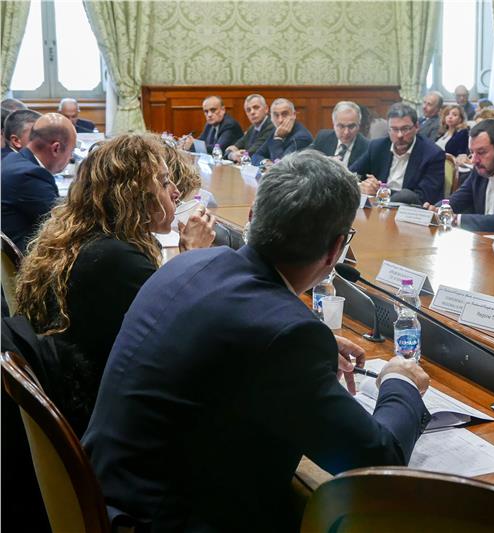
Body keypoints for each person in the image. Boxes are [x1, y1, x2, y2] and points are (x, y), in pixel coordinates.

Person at [82, 151, 432, 530]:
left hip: (97, 498)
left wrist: (309, 355)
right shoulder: (286, 335)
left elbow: (233, 345)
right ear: (336, 249)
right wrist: (400, 382)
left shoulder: (188, 263)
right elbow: (379, 461)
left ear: (253, 216)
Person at [14, 133, 216, 431]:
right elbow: (185, 340)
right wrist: (194, 258)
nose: (175, 192)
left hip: (80, 396)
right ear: (133, 194)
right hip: (105, 420)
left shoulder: (89, 239)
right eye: (164, 183)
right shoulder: (117, 261)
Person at [1, 113, 76, 252]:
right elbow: (64, 224)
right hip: (28, 256)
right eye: (71, 151)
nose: (70, 158)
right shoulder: (30, 176)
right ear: (56, 148)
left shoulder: (13, 159)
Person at [349, 102, 445, 205]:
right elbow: (351, 176)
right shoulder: (377, 147)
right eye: (394, 129)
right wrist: (362, 186)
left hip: (409, 210)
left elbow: (423, 197)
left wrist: (381, 191)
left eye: (405, 129)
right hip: (377, 207)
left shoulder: (432, 154)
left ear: (417, 127)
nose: (399, 135)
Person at [251, 98, 313, 164]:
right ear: (271, 117)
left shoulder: (302, 138)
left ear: (294, 115)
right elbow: (256, 156)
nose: (280, 120)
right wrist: (266, 162)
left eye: (285, 114)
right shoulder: (276, 130)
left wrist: (278, 138)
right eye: (276, 115)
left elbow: (282, 165)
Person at [308, 100, 368, 166]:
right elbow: (306, 160)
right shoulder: (323, 138)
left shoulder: (367, 148)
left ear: (359, 125)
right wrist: (325, 164)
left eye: (351, 126)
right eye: (341, 126)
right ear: (333, 124)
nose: (346, 132)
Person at [179, 95, 244, 155]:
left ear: (223, 110)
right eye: (206, 111)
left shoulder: (230, 125)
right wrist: (187, 141)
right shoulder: (209, 124)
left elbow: (218, 149)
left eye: (213, 110)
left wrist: (192, 145)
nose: (209, 115)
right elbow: (201, 140)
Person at [225, 94, 274, 162]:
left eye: (256, 107)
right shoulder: (252, 128)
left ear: (266, 109)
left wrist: (234, 154)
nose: (252, 112)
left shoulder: (272, 126)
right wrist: (232, 155)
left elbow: (252, 153)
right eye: (248, 110)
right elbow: (233, 147)